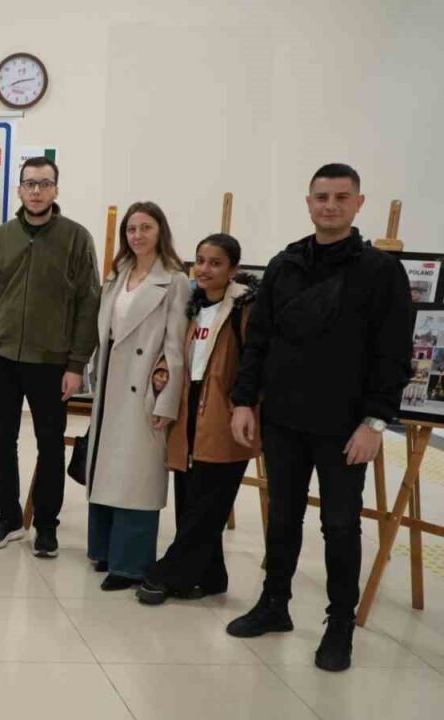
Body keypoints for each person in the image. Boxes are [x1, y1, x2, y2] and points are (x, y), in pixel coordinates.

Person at [225, 163, 412, 672]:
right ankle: (274, 604)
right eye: (322, 197)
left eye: (341, 197)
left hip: (345, 428)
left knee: (340, 525)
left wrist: (375, 423)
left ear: (358, 203)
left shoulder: (381, 272)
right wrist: (244, 400)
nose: (330, 205)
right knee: (282, 516)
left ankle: (340, 625)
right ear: (308, 202)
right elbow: (258, 340)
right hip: (283, 419)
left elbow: (393, 354)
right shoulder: (285, 265)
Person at [0, 157, 100, 555]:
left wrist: (76, 365)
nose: (37, 190)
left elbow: (88, 304)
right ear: (20, 189)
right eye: (30, 183)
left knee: (49, 445)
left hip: (52, 363)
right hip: (1, 359)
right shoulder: (0, 238)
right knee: (0, 443)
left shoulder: (76, 238)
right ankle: (9, 519)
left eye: (45, 183)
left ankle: (46, 525)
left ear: (56, 189)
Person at [136, 234, 259, 604]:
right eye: (200, 261)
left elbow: (255, 362)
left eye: (216, 263)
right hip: (189, 410)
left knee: (209, 504)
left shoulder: (245, 309)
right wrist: (163, 375)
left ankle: (168, 573)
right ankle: (210, 575)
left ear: (233, 269)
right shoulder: (191, 306)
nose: (205, 269)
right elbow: (176, 353)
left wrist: (243, 404)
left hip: (226, 414)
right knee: (190, 498)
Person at [83, 201, 189, 591]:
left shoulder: (174, 280)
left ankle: (130, 564)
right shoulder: (118, 274)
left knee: (136, 477)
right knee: (107, 470)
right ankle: (105, 551)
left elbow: (175, 347)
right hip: (111, 384)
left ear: (160, 231)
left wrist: (166, 401)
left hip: (144, 387)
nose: (138, 235)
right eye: (131, 229)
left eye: (146, 227)